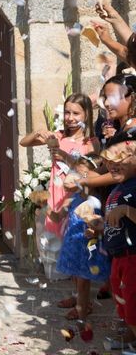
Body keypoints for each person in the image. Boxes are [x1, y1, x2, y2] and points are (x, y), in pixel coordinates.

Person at [20, 93, 99, 280]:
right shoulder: (58, 137)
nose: (70, 118)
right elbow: (24, 143)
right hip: (56, 195)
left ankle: (80, 296)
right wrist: (39, 132)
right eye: (67, 112)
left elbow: (90, 171)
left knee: (76, 244)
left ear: (87, 115)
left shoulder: (91, 143)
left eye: (76, 113)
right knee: (58, 241)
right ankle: (70, 289)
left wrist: (64, 156)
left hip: (76, 197)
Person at [50, 155, 110, 320]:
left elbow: (104, 222)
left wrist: (96, 230)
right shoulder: (72, 197)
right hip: (73, 242)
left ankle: (82, 310)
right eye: (76, 173)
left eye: (83, 175)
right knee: (75, 276)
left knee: (84, 279)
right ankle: (77, 298)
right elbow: (58, 217)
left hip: (89, 242)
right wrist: (43, 205)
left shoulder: (98, 199)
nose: (77, 178)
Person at [98, 142, 136, 352]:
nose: (112, 164)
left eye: (120, 158)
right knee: (122, 301)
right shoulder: (117, 189)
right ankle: (131, 338)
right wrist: (99, 227)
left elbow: (126, 213)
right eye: (108, 160)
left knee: (132, 301)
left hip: (133, 256)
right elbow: (115, 222)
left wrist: (126, 210)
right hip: (118, 256)